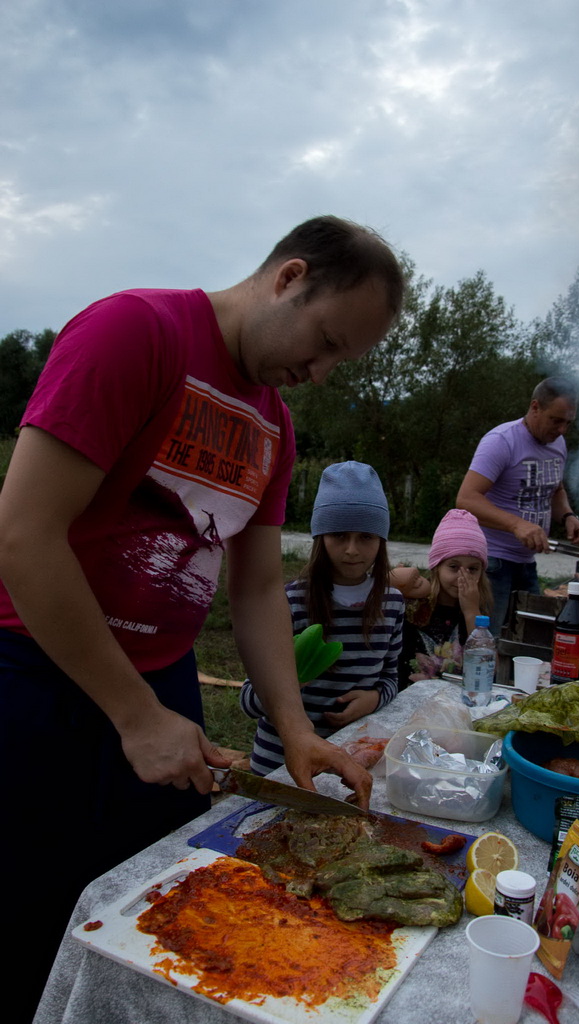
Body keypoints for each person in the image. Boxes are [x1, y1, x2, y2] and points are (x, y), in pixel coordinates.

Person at [0, 215, 404, 1023]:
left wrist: (292, 728)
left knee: (147, 919)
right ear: (289, 277)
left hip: (165, 689)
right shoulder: (135, 332)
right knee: (28, 915)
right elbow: (22, 533)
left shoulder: (275, 426)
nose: (320, 371)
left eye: (341, 360)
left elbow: (255, 591)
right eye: (325, 340)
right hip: (37, 679)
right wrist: (133, 713)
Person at [241, 461, 404, 774]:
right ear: (320, 537)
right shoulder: (288, 602)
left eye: (366, 537)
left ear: (381, 540)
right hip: (280, 766)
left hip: (352, 763)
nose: (352, 550)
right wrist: (287, 684)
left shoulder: (392, 605)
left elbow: (390, 679)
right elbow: (248, 701)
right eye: (340, 535)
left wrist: (373, 699)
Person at [456, 376, 579, 636]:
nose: (562, 430)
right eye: (556, 420)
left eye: (568, 423)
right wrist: (516, 524)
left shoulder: (557, 443)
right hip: (493, 562)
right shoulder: (501, 441)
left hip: (527, 563)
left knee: (532, 639)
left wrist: (569, 516)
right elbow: (466, 499)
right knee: (486, 642)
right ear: (535, 407)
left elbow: (555, 489)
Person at [398, 509, 491, 688]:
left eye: (472, 569)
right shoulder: (414, 606)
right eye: (454, 566)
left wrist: (472, 612)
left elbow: (486, 668)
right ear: (437, 567)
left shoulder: (477, 611)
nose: (462, 576)